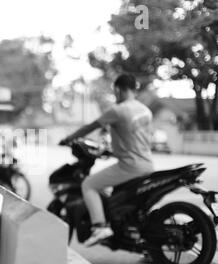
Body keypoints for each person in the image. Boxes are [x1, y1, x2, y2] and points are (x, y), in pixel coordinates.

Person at [59, 74, 154, 247]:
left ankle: (100, 227)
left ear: (118, 89)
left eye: (115, 91)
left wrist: (69, 138)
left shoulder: (118, 110)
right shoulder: (145, 111)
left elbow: (91, 126)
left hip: (130, 166)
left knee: (88, 184)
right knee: (126, 200)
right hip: (148, 164)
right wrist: (112, 151)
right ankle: (148, 246)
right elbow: (137, 138)